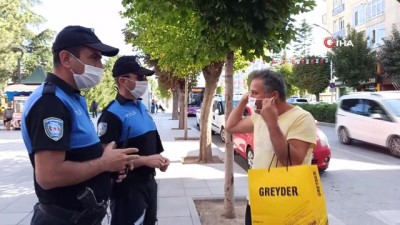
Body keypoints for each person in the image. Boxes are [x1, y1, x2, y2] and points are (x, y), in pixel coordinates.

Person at [21, 25, 139, 225]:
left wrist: (108, 162)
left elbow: (77, 153)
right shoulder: (50, 103)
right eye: (94, 57)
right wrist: (103, 163)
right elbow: (49, 175)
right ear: (66, 59)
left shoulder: (71, 98)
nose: (100, 66)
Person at [225, 69, 316, 225]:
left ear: (273, 96)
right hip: (258, 198)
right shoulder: (259, 116)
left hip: (287, 203)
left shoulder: (301, 118)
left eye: (254, 93)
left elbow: (291, 162)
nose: (251, 97)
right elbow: (231, 126)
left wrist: (272, 122)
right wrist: (243, 101)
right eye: (250, 93)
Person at [97, 55, 170, 225]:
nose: (144, 81)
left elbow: (150, 146)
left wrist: (160, 161)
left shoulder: (142, 108)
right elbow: (106, 162)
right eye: (139, 77)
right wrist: (145, 161)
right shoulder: (111, 115)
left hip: (148, 184)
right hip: (128, 190)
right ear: (122, 81)